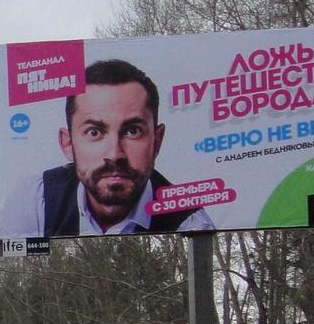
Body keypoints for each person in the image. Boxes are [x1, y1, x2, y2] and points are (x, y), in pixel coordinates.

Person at [29, 58, 213, 236]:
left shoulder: (191, 223)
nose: (115, 154)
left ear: (157, 141)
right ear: (68, 144)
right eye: (94, 132)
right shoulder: (37, 200)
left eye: (132, 131)